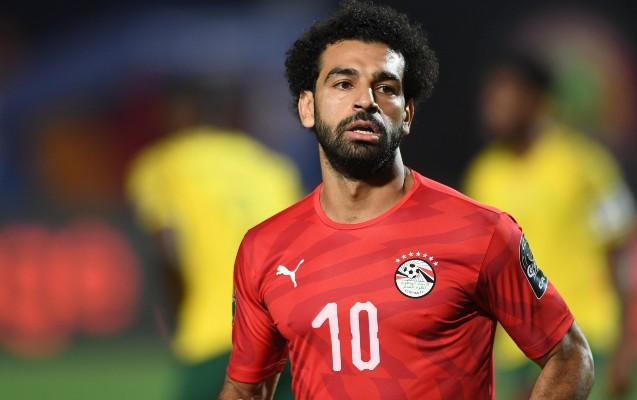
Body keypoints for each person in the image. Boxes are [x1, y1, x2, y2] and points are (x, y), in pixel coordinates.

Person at [219, 1, 594, 399]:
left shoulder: (480, 232)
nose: (365, 100)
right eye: (343, 84)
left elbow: (570, 356)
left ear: (408, 114)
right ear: (307, 107)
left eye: (386, 88)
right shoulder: (264, 250)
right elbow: (245, 391)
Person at [464, 52, 636, 398]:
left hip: (587, 339)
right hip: (514, 352)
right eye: (492, 96)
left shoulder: (585, 165)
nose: (495, 106)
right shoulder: (483, 175)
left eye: (507, 94)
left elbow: (623, 253)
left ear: (537, 100)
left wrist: (627, 346)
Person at [127, 125, 301, 399]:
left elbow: (166, 251)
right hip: (282, 337)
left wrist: (176, 315)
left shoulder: (167, 163)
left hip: (214, 338)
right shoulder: (273, 167)